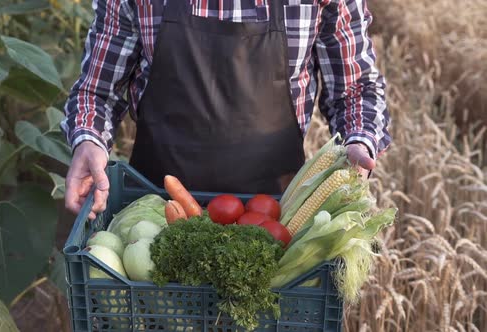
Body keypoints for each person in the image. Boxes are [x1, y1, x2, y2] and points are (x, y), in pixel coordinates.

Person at [61, 0, 392, 220]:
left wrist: (359, 141)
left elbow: (355, 90)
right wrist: (89, 139)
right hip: (156, 216)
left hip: (276, 222)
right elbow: (97, 92)